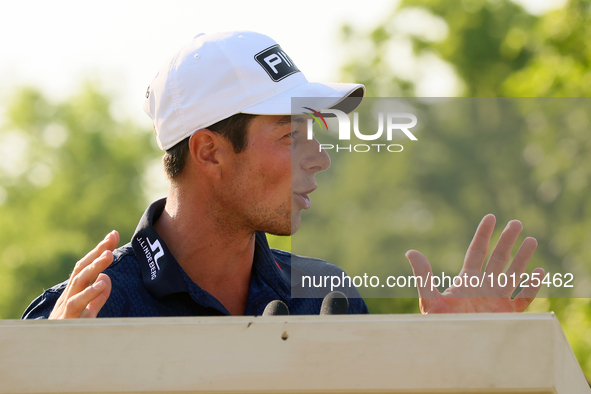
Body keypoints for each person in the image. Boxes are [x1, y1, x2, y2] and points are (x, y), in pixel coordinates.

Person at [22, 31, 543, 319]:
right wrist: (55, 372)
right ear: (209, 152)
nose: (319, 158)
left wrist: (451, 365)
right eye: (291, 135)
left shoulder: (327, 296)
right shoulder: (84, 314)